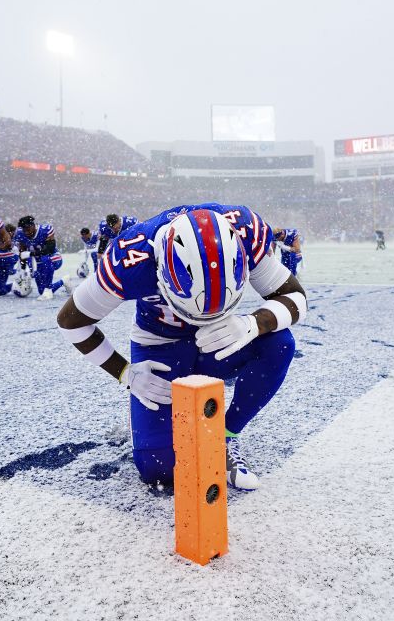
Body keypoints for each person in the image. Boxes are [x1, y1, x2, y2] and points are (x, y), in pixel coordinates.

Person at [56, 204, 305, 490]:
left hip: (218, 338)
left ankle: (226, 433)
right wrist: (125, 373)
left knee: (279, 342)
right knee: (159, 469)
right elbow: (70, 321)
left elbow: (294, 297)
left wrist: (253, 323)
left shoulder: (244, 230)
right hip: (160, 346)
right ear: (160, 271)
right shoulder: (130, 258)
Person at [13, 215, 65, 300]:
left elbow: (50, 249)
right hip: (37, 261)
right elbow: (23, 253)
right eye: (24, 230)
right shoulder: (20, 234)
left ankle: (48, 289)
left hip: (54, 257)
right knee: (41, 291)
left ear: (33, 225)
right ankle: (64, 281)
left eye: (28, 229)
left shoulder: (45, 230)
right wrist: (23, 270)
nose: (26, 233)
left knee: (45, 259)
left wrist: (32, 254)